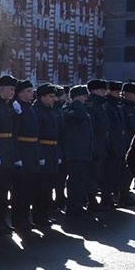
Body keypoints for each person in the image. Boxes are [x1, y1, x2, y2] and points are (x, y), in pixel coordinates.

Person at [11, 80, 42, 232]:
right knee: (21, 190)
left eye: (32, 90)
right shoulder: (18, 108)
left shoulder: (29, 108)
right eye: (28, 91)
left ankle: (25, 218)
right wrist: (17, 156)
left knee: (29, 187)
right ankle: (19, 220)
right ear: (20, 93)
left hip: (32, 151)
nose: (32, 93)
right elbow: (15, 134)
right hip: (23, 151)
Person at [0, 75, 18, 234]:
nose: (13, 92)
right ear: (1, 89)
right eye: (11, 89)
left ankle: (1, 220)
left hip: (8, 150)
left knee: (4, 188)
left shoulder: (8, 106)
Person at [62, 86, 94, 218]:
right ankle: (73, 207)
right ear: (76, 96)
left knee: (81, 180)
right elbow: (77, 118)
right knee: (75, 181)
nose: (86, 98)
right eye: (83, 96)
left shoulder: (82, 109)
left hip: (82, 151)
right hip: (74, 152)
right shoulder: (71, 109)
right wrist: (76, 104)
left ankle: (78, 205)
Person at [33, 84, 61, 227]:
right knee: (41, 187)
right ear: (42, 97)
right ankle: (39, 215)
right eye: (50, 96)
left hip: (52, 151)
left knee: (49, 185)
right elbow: (36, 136)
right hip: (43, 150)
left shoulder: (50, 111)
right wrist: (40, 155)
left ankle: (44, 214)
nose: (53, 99)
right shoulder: (38, 111)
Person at [86, 79, 110, 211]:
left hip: (102, 144)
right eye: (101, 90)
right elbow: (92, 128)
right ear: (94, 90)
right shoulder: (92, 105)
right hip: (95, 145)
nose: (104, 92)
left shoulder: (101, 104)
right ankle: (91, 200)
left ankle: (94, 199)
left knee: (99, 174)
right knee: (93, 175)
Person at [103, 82, 127, 209]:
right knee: (109, 174)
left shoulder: (117, 106)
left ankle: (111, 197)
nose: (118, 94)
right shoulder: (108, 106)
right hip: (112, 145)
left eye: (118, 92)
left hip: (118, 143)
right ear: (109, 92)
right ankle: (106, 198)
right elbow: (110, 129)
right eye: (115, 92)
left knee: (115, 173)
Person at [118, 83, 135, 206]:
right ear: (126, 93)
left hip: (134, 141)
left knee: (128, 173)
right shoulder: (121, 106)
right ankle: (122, 195)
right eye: (134, 94)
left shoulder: (134, 107)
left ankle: (125, 193)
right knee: (123, 171)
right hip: (124, 141)